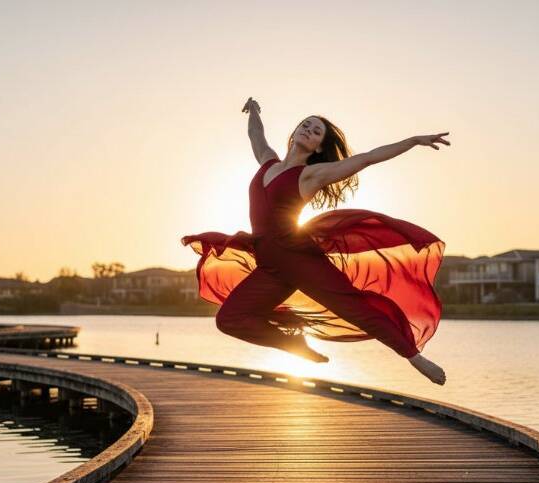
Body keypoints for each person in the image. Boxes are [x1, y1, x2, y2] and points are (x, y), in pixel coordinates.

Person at [182, 98, 449, 385]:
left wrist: (413, 140)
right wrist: (255, 111)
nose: (308, 130)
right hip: (269, 263)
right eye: (305, 125)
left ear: (319, 147)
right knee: (228, 320)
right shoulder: (268, 162)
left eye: (316, 131)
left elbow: (367, 158)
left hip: (297, 258)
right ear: (295, 132)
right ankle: (293, 344)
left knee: (354, 306)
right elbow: (256, 135)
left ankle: (415, 357)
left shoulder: (311, 175)